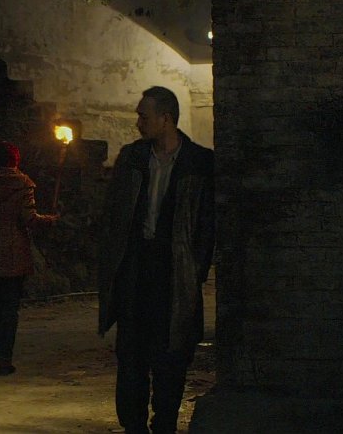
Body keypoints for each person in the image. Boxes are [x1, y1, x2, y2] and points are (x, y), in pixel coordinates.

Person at [97, 86, 215, 433]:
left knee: (171, 356)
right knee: (131, 356)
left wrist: (194, 268)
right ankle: (134, 426)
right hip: (136, 269)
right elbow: (113, 214)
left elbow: (207, 223)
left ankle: (164, 423)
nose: (138, 123)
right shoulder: (132, 158)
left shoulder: (198, 162)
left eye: (143, 116)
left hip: (173, 272)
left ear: (166, 118)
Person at [0, 140, 58, 376]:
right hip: (15, 251)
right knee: (10, 306)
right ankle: (5, 359)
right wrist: (51, 220)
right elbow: (29, 219)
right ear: (15, 159)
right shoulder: (22, 184)